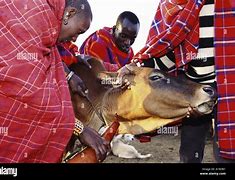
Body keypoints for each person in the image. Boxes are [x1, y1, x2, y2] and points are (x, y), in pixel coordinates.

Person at [119, 0, 235, 163]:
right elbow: (172, 48)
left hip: (230, 90)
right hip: (194, 90)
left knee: (227, 156)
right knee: (189, 155)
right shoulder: (176, 5)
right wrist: (138, 67)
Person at [0, 0, 109, 163]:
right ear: (69, 13)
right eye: (78, 31)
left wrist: (69, 76)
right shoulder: (35, 18)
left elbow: (43, 55)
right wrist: (79, 128)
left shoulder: (43, 18)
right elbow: (30, 94)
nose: (74, 39)